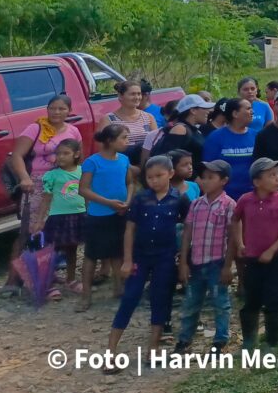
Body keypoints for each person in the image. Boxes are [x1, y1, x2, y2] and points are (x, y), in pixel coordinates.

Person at [107, 155, 191, 368]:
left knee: (159, 300)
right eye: (150, 177)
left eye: (159, 176)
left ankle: (152, 350)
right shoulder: (141, 199)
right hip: (140, 257)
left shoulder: (179, 199)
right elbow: (130, 229)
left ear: (171, 174)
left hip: (165, 256)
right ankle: (111, 352)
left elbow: (188, 227)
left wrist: (183, 260)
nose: (154, 181)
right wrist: (127, 259)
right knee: (130, 298)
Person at [2, 93, 83, 296]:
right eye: (52, 108)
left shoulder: (73, 131)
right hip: (37, 185)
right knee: (33, 231)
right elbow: (17, 156)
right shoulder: (35, 128)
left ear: (69, 111)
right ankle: (24, 281)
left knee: (59, 231)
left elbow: (78, 159)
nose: (56, 112)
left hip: (62, 186)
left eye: (61, 109)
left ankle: (52, 275)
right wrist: (24, 179)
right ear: (47, 109)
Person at [232, 158, 278, 351]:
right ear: (257, 182)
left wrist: (272, 249)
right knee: (251, 299)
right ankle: (249, 341)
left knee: (273, 299)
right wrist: (240, 243)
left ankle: (271, 341)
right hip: (252, 258)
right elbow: (235, 220)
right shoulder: (245, 200)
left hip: (276, 258)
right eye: (271, 175)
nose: (277, 179)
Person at [176, 159, 235, 353]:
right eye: (204, 177)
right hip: (196, 262)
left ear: (224, 180)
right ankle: (184, 340)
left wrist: (228, 266)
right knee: (191, 303)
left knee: (220, 303)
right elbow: (187, 233)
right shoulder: (196, 204)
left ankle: (220, 340)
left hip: (217, 262)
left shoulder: (228, 205)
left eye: (211, 177)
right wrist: (183, 262)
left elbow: (233, 236)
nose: (205, 181)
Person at [77, 123, 133, 311]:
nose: (127, 142)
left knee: (118, 252)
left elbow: (130, 183)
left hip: (120, 213)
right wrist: (109, 203)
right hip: (99, 215)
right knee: (91, 255)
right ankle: (86, 295)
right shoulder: (93, 162)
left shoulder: (124, 159)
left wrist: (128, 201)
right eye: (124, 138)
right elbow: (83, 189)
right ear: (110, 141)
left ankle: (119, 288)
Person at [31, 138, 86, 296]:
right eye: (58, 154)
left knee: (72, 249)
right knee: (51, 251)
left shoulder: (83, 172)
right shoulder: (52, 175)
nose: (61, 157)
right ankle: (47, 283)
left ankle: (71, 279)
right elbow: (46, 199)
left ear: (76, 154)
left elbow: (88, 195)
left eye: (66, 153)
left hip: (79, 215)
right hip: (58, 218)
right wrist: (40, 220)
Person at [202, 98, 258, 201]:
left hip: (252, 197)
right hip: (224, 199)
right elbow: (209, 169)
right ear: (235, 114)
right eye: (248, 108)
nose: (252, 111)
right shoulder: (215, 137)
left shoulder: (256, 136)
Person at [96, 79, 160, 166]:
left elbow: (156, 143)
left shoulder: (149, 117)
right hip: (120, 165)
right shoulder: (108, 119)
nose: (137, 97)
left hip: (146, 166)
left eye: (139, 94)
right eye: (132, 94)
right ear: (120, 96)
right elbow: (103, 147)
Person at [145, 93, 213, 171]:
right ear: (193, 110)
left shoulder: (195, 130)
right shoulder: (180, 129)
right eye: (204, 108)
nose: (208, 111)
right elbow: (166, 157)